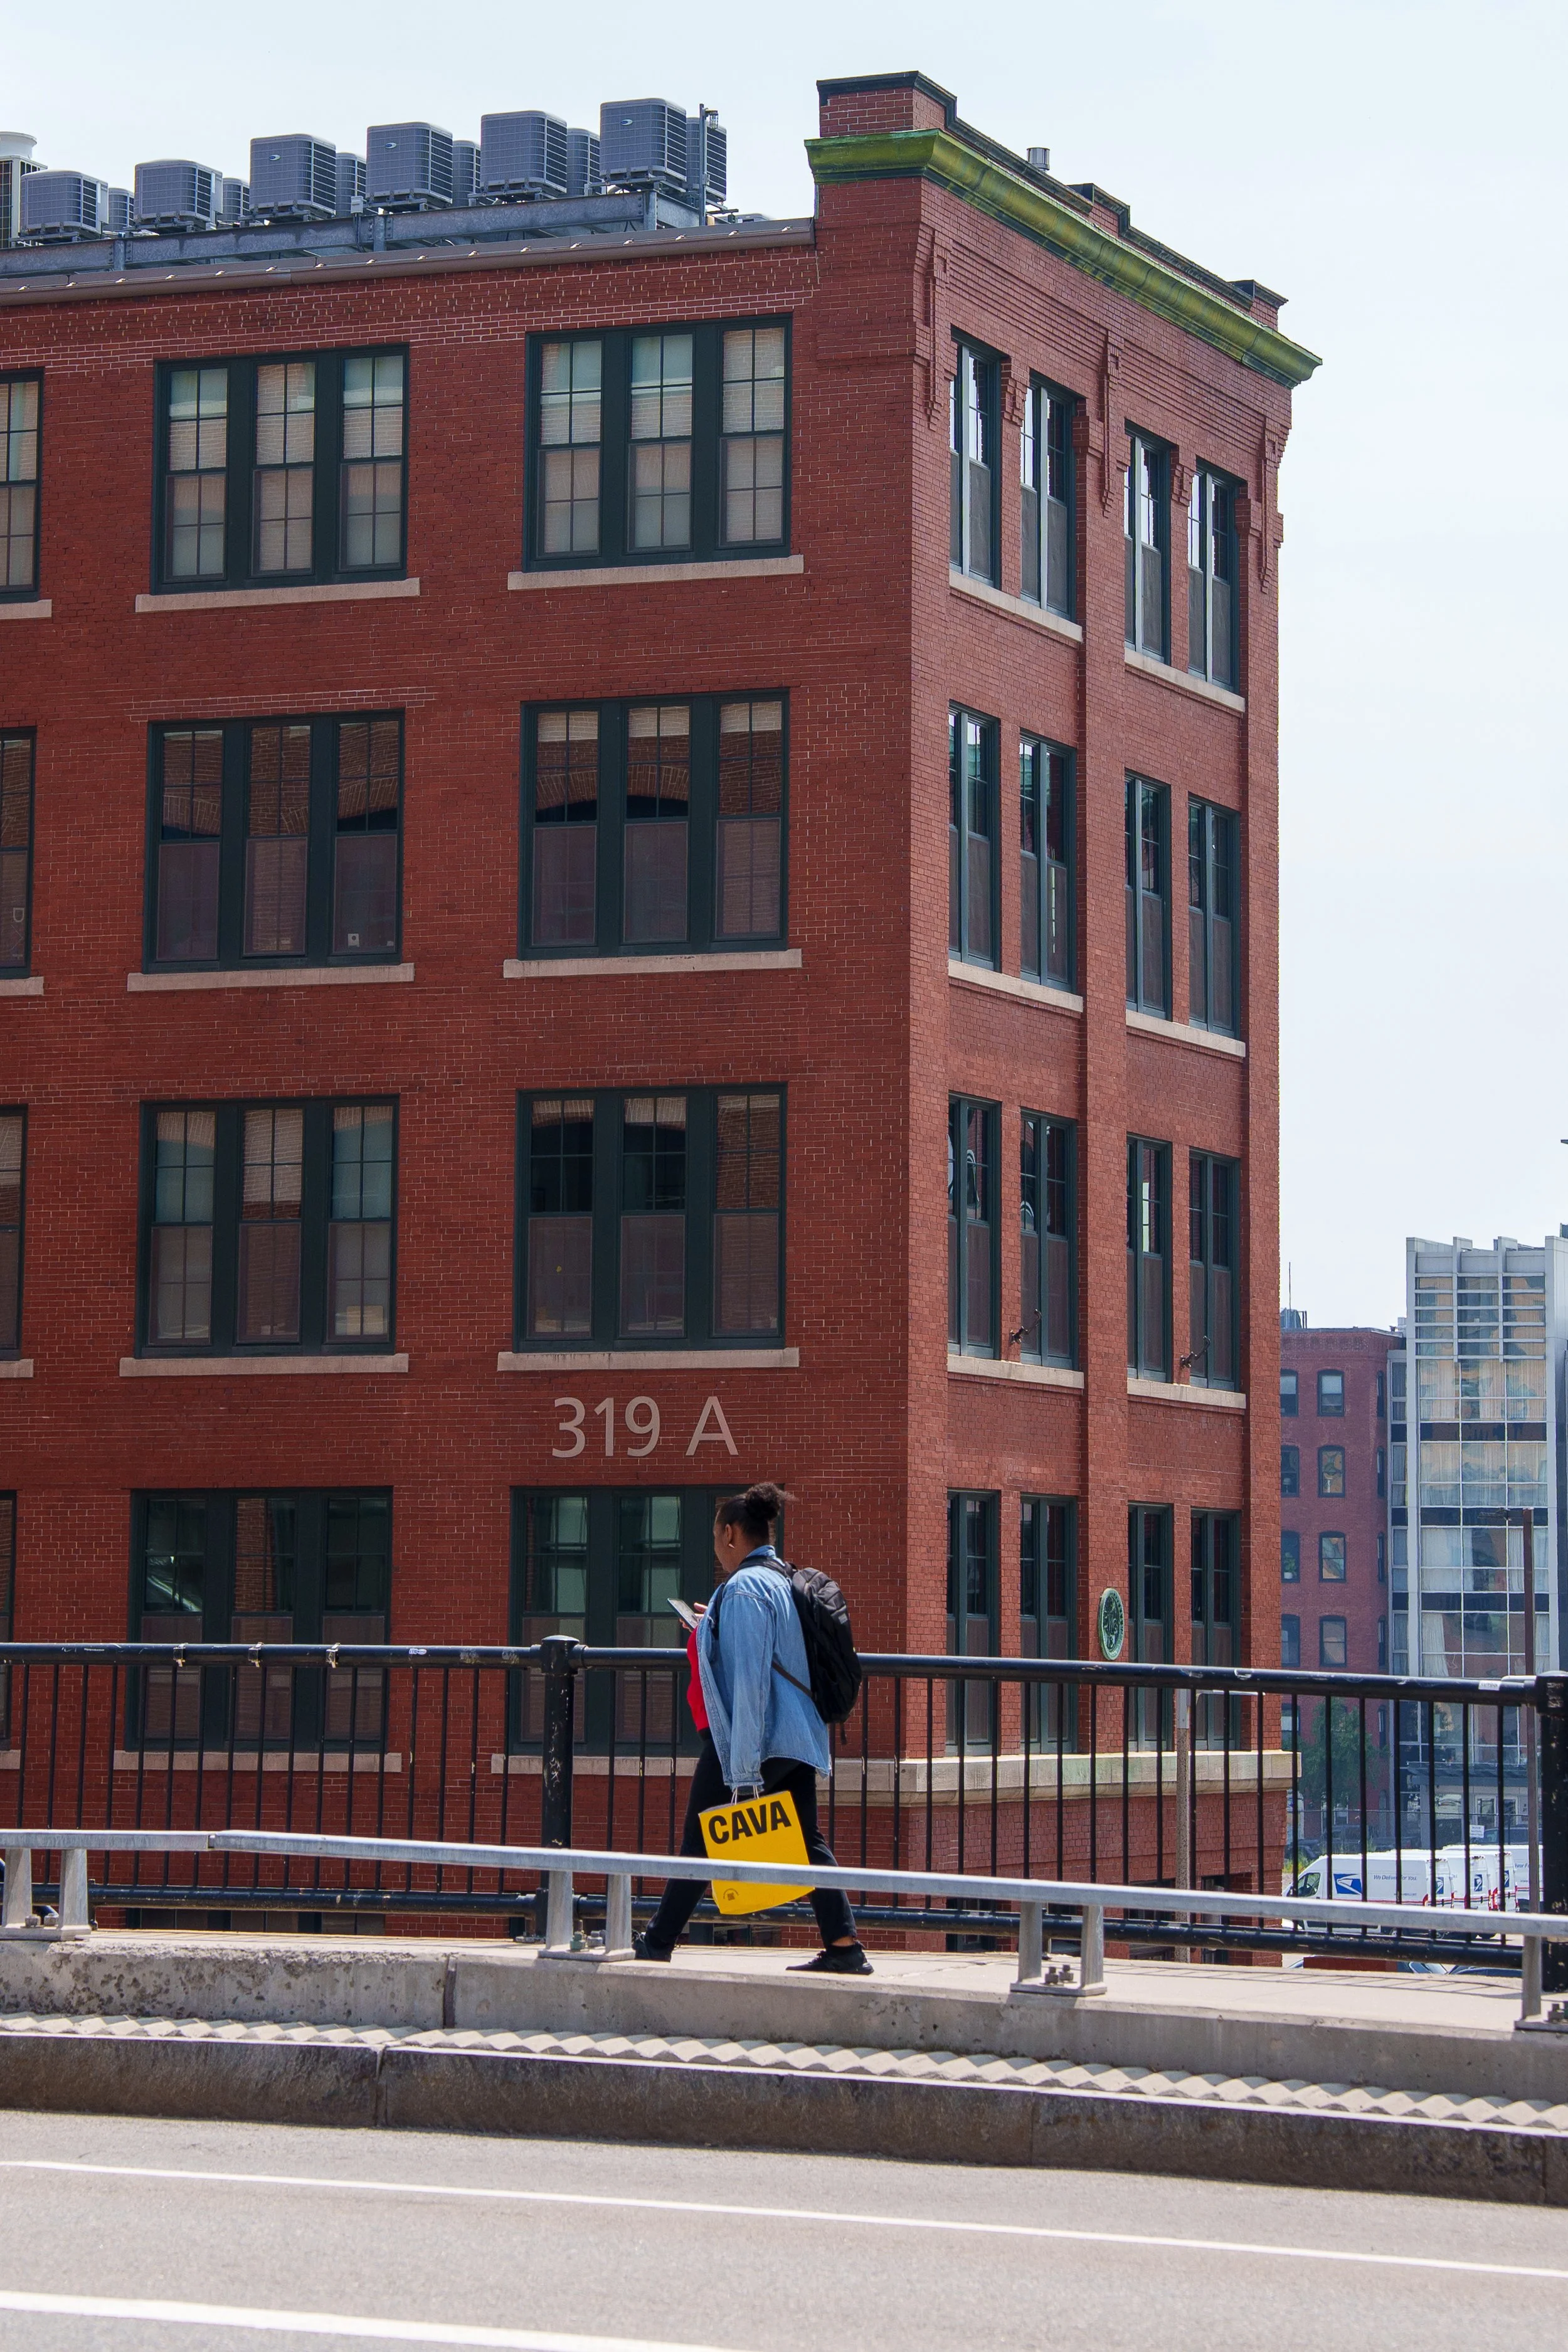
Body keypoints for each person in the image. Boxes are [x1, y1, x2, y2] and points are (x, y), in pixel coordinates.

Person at [633, 1482, 871, 1974]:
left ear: (729, 1533)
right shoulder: (781, 1578)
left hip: (754, 1742)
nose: (717, 1548)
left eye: (717, 1538)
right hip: (798, 1735)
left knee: (700, 1839)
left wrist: (743, 1771)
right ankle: (844, 1945)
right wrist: (712, 1624)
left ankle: (657, 1942)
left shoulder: (743, 1588)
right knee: (806, 1841)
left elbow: (749, 1681)